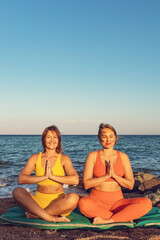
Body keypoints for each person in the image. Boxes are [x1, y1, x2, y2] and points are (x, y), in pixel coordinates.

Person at [78, 123, 152, 224]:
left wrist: (115, 176)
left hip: (118, 203)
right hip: (97, 202)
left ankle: (109, 220)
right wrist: (106, 176)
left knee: (147, 203)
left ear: (115, 138)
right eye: (104, 136)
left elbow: (130, 185)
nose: (108, 140)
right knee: (83, 203)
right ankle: (122, 217)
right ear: (99, 138)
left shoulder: (123, 157)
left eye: (111, 136)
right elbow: (86, 184)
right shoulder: (93, 156)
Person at [13, 125, 79, 222]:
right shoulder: (35, 158)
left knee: (74, 198)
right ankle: (51, 217)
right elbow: (21, 179)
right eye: (49, 137)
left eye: (55, 137)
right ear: (43, 139)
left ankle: (39, 215)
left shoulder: (64, 159)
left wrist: (52, 176)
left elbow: (75, 180)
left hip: (58, 203)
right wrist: (44, 177)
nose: (52, 140)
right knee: (17, 191)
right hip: (38, 202)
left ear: (59, 141)